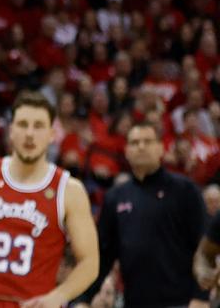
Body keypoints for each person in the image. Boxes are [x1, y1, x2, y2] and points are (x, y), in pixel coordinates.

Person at [0, 92, 99, 307]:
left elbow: (90, 262)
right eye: (23, 124)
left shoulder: (69, 190)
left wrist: (58, 296)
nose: (30, 134)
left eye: (39, 126)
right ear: (11, 130)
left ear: (52, 134)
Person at [87, 120, 208, 307]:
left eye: (148, 141)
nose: (141, 147)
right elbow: (104, 256)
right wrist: (84, 299)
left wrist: (201, 297)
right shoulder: (115, 197)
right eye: (134, 143)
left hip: (181, 302)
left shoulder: (186, 190)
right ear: (126, 151)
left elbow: (204, 248)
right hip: (134, 302)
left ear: (161, 148)